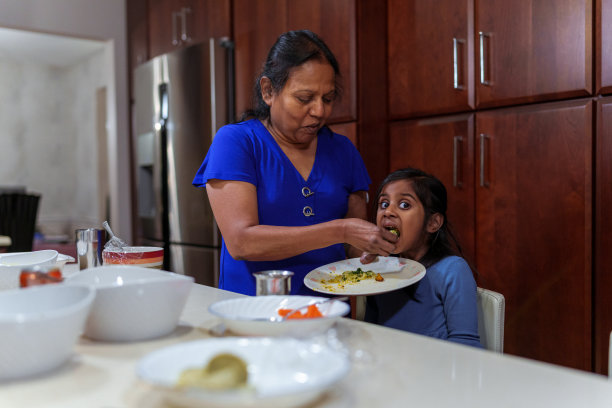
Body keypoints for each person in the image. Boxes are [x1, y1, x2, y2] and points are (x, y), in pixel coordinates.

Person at [193, 30, 397, 295]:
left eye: (328, 98)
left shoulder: (343, 151)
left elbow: (353, 248)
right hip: (256, 316)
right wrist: (341, 230)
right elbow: (242, 242)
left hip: (329, 315)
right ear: (268, 91)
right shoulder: (237, 142)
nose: (320, 111)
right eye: (304, 98)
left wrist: (377, 247)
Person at [363, 168, 482, 348]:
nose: (388, 212)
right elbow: (370, 334)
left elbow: (465, 343)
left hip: (434, 371)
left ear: (432, 223)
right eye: (384, 204)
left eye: (404, 205)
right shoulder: (380, 270)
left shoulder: (452, 270)